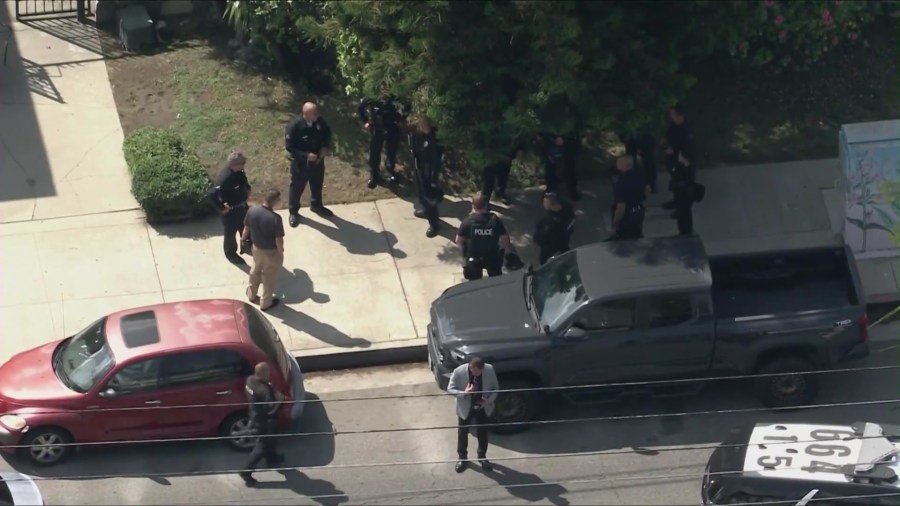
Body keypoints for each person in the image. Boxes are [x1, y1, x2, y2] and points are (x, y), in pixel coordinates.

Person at [285, 102, 333, 228]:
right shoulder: (294, 126)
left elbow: (327, 134)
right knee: (296, 188)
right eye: (314, 113)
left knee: (317, 184)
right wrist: (306, 155)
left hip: (317, 161)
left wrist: (325, 148)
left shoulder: (319, 122)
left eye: (317, 112)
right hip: (301, 165)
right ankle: (293, 211)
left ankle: (316, 205)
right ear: (306, 114)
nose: (317, 114)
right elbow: (289, 147)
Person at [447, 357, 499, 473]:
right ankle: (462, 458)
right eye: (473, 371)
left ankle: (482, 456)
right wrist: (464, 393)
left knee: (482, 432)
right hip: (466, 407)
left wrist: (488, 400)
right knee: (462, 432)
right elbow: (450, 388)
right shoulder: (458, 371)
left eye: (479, 372)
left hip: (482, 407)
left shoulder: (489, 370)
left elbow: (496, 389)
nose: (476, 374)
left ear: (483, 368)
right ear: (470, 366)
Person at [239, 362, 285, 487]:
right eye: (268, 372)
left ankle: (272, 459)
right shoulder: (264, 391)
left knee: (271, 440)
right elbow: (270, 409)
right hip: (265, 421)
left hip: (255, 415)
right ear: (264, 373)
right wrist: (279, 401)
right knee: (262, 446)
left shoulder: (250, 380)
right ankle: (246, 471)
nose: (269, 374)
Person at [242, 189, 285, 311]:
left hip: (256, 248)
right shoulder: (276, 218)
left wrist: (243, 240)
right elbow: (278, 239)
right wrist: (280, 251)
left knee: (255, 270)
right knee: (268, 277)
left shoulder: (252, 210)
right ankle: (265, 303)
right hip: (271, 252)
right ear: (275, 202)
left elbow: (246, 228)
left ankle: (251, 294)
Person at [455, 193, 512, 280]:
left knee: (475, 284)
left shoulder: (467, 222)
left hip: (474, 258)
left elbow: (459, 240)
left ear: (473, 206)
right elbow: (505, 238)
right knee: (495, 281)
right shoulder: (495, 220)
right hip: (492, 257)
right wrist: (508, 253)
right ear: (486, 205)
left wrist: (463, 257)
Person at [208, 151, 252, 265]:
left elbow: (243, 181)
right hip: (231, 212)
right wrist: (222, 207)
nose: (243, 166)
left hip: (242, 207)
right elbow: (212, 194)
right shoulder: (225, 178)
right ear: (234, 164)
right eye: (241, 164)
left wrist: (247, 188)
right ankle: (231, 254)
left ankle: (247, 245)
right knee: (230, 234)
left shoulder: (239, 171)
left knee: (246, 227)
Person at [359, 95, 408, 189]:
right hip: (377, 127)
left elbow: (407, 105)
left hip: (393, 127)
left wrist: (403, 119)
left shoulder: (395, 95)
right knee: (375, 152)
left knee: (391, 152)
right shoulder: (373, 95)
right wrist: (365, 121)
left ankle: (390, 171)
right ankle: (374, 175)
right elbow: (361, 107)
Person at [410, 117, 443, 238]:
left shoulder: (434, 138)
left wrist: (434, 177)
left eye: (423, 123)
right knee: (421, 194)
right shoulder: (417, 135)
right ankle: (425, 210)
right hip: (419, 168)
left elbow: (436, 157)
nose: (420, 125)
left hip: (429, 172)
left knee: (430, 197)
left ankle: (434, 224)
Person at [662, 104, 694, 210]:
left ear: (679, 115)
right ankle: (676, 201)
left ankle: (683, 207)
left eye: (673, 114)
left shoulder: (686, 129)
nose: (671, 116)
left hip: (683, 160)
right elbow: (668, 138)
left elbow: (688, 146)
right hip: (673, 159)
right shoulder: (673, 126)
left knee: (683, 184)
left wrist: (684, 158)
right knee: (676, 183)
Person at [611, 156, 649, 240]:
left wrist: (614, 225)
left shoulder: (621, 182)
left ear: (622, 165)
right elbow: (647, 188)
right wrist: (644, 201)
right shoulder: (640, 173)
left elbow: (621, 207)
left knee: (626, 238)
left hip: (627, 215)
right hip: (639, 211)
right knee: (637, 233)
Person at [535, 133, 581, 201]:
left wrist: (564, 139)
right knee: (550, 166)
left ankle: (572, 191)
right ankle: (550, 190)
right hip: (549, 140)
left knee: (569, 166)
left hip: (566, 141)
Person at [533, 192, 575, 265]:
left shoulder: (550, 223)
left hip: (551, 248)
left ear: (551, 204)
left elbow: (539, 238)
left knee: (545, 263)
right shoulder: (568, 208)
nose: (543, 204)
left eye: (545, 202)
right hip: (564, 242)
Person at [672, 145, 698, 236]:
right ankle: (684, 231)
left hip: (685, 196)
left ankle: (686, 231)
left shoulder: (687, 170)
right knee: (682, 214)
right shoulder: (681, 167)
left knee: (685, 214)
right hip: (681, 195)